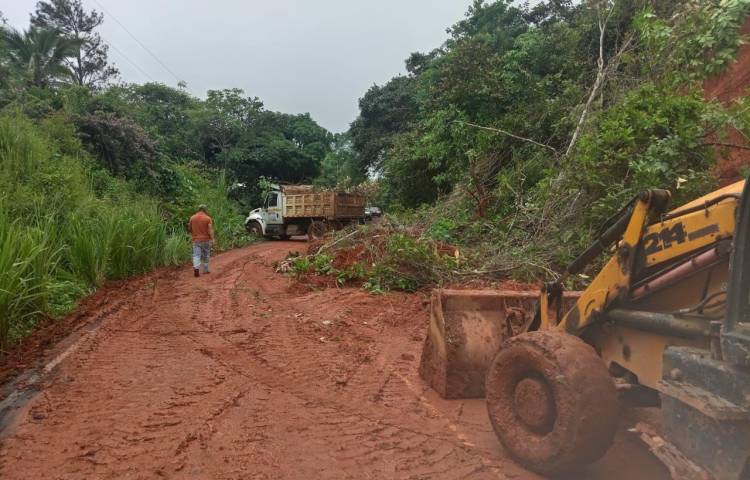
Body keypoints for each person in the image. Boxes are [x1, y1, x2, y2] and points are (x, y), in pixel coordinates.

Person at [188, 205, 215, 277]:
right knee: (206, 254)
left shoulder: (192, 218)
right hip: (205, 240)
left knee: (196, 255)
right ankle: (205, 269)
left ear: (199, 209)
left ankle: (196, 269)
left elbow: (189, 228)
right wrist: (212, 239)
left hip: (196, 240)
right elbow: (210, 229)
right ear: (205, 210)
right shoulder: (207, 218)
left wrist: (194, 234)